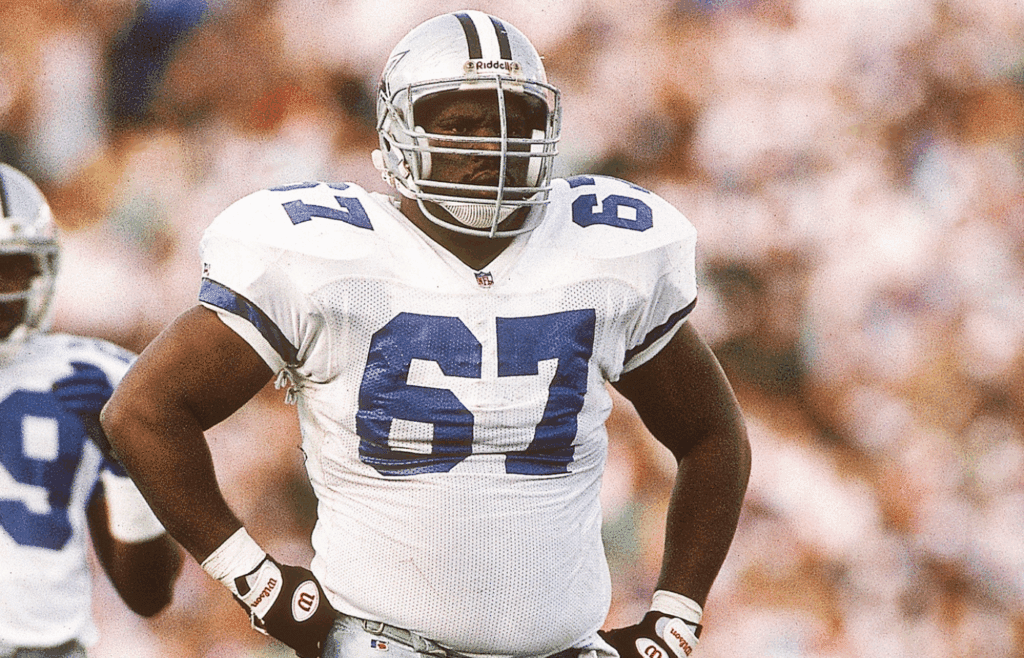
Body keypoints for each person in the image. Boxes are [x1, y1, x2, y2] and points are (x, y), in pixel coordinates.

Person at [100, 10, 750, 658]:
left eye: (512, 123)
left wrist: (675, 613)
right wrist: (258, 582)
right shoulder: (330, 253)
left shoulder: (599, 252)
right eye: (459, 123)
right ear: (401, 132)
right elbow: (144, 412)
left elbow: (712, 435)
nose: (489, 147)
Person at [0, 163, 182, 657]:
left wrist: (125, 468)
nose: (8, 288)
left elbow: (148, 594)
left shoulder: (92, 377)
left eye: (13, 265)